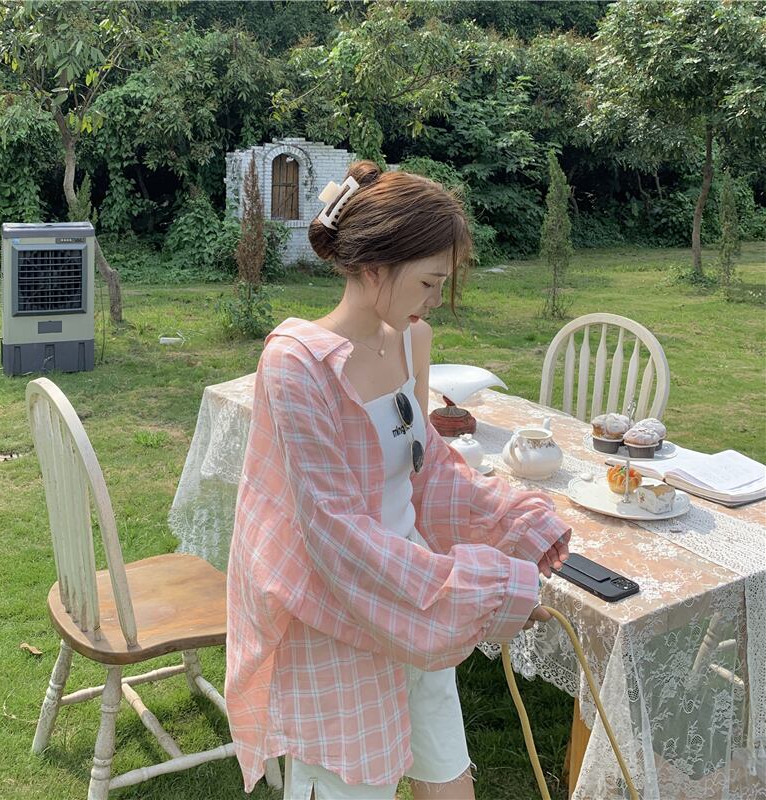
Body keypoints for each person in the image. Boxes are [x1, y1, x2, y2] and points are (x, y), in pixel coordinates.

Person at [225, 160, 571, 800]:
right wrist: (486, 590)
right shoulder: (298, 365)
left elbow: (425, 466)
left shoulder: (404, 341)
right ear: (375, 267)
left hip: (413, 595)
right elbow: (337, 537)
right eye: (430, 282)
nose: (435, 299)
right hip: (340, 617)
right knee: (352, 787)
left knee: (447, 773)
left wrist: (516, 523)